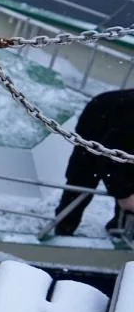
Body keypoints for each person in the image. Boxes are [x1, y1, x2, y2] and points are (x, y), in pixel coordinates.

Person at [50, 88, 134, 237]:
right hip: (98, 118)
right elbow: (108, 155)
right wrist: (124, 194)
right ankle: (63, 228)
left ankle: (120, 229)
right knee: (83, 177)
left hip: (121, 124)